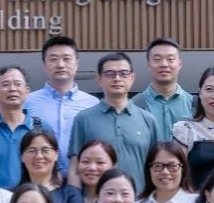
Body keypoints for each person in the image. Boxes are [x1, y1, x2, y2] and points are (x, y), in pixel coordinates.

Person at [70, 52, 159, 193]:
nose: (117, 78)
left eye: (123, 74)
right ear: (99, 79)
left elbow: (156, 166)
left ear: (132, 78)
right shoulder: (83, 119)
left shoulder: (148, 120)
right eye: (110, 74)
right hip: (97, 202)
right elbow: (75, 168)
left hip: (139, 201)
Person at [24, 35, 99, 177]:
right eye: (53, 59)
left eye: (67, 59)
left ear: (77, 63)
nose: (60, 64)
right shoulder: (27, 102)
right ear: (44, 65)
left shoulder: (93, 104)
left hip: (82, 179)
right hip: (40, 180)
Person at [0, 65, 45, 190]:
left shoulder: (42, 128)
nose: (12, 89)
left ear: (27, 91)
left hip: (31, 198)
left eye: (18, 84)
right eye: (5, 84)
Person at [19, 128, 84, 203]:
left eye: (45, 150)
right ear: (22, 157)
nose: (39, 156)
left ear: (56, 154)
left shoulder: (71, 194)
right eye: (32, 150)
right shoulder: (10, 195)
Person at [133, 37, 194, 140]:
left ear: (179, 64)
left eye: (170, 59)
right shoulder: (135, 106)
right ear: (148, 64)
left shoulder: (194, 105)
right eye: (157, 59)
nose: (164, 64)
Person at [74, 139, 118, 203]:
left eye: (100, 162)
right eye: (86, 162)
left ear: (113, 167)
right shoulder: (71, 198)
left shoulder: (118, 202)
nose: (92, 168)